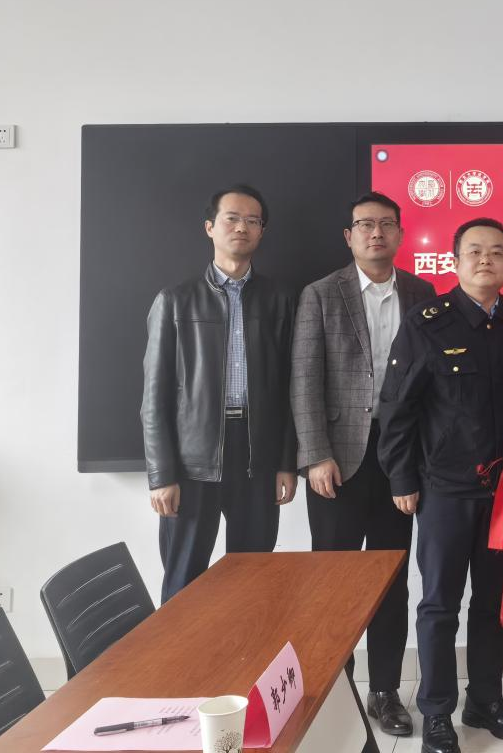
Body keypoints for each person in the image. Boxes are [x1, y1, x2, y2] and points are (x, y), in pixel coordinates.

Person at [378, 218, 503, 753]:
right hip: (444, 487)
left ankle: (485, 699)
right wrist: (402, 476)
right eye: (474, 252)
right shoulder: (428, 322)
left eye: (497, 252)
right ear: (455, 262)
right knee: (440, 605)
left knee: (492, 602)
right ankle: (437, 710)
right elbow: (397, 406)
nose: (485, 260)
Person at [291, 191, 434, 736]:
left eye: (386, 224)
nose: (377, 233)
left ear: (400, 235)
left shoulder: (422, 293)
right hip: (338, 460)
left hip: (400, 457)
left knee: (390, 579)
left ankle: (384, 691)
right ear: (349, 237)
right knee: (334, 582)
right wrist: (315, 455)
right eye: (365, 225)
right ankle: (337, 687)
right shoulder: (321, 294)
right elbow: (304, 379)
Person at [141, 184, 298, 603]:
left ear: (262, 231)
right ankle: (181, 651)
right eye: (232, 218)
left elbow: (290, 389)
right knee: (183, 584)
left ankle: (246, 649)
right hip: (192, 461)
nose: (242, 227)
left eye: (252, 221)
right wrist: (161, 475)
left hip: (257, 457)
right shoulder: (175, 301)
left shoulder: (280, 300)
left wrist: (286, 462)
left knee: (252, 581)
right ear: (210, 227)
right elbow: (154, 398)